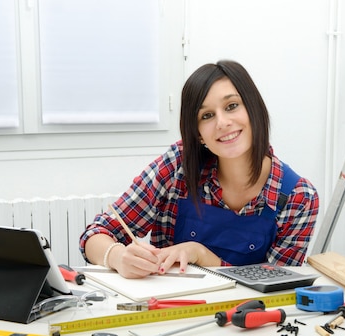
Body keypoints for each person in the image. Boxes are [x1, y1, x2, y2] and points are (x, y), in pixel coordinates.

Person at [79, 60, 319, 278]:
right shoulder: (176, 167)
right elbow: (96, 234)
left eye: (232, 106)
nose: (222, 123)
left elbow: (277, 286)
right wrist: (117, 256)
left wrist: (200, 255)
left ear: (253, 109)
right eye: (206, 116)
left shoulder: (298, 197)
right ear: (198, 134)